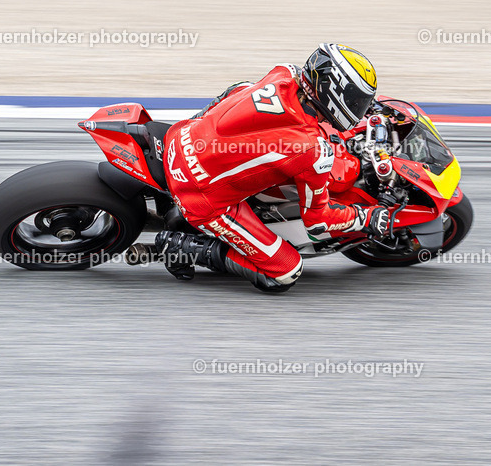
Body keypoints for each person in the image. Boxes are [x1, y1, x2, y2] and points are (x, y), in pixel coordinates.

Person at [154, 43, 395, 293]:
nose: (360, 107)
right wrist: (367, 218)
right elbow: (318, 222)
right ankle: (182, 249)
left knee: (244, 88)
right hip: (200, 195)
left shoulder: (284, 74)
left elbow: (234, 91)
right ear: (334, 94)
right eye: (356, 101)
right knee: (285, 271)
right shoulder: (313, 150)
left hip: (180, 136)